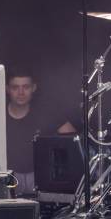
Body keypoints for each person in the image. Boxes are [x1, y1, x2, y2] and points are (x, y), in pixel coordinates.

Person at [6, 68, 76, 196]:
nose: (21, 92)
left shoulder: (46, 112)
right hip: (7, 176)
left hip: (39, 177)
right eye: (15, 87)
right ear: (7, 89)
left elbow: (73, 140)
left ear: (34, 88)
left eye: (26, 87)